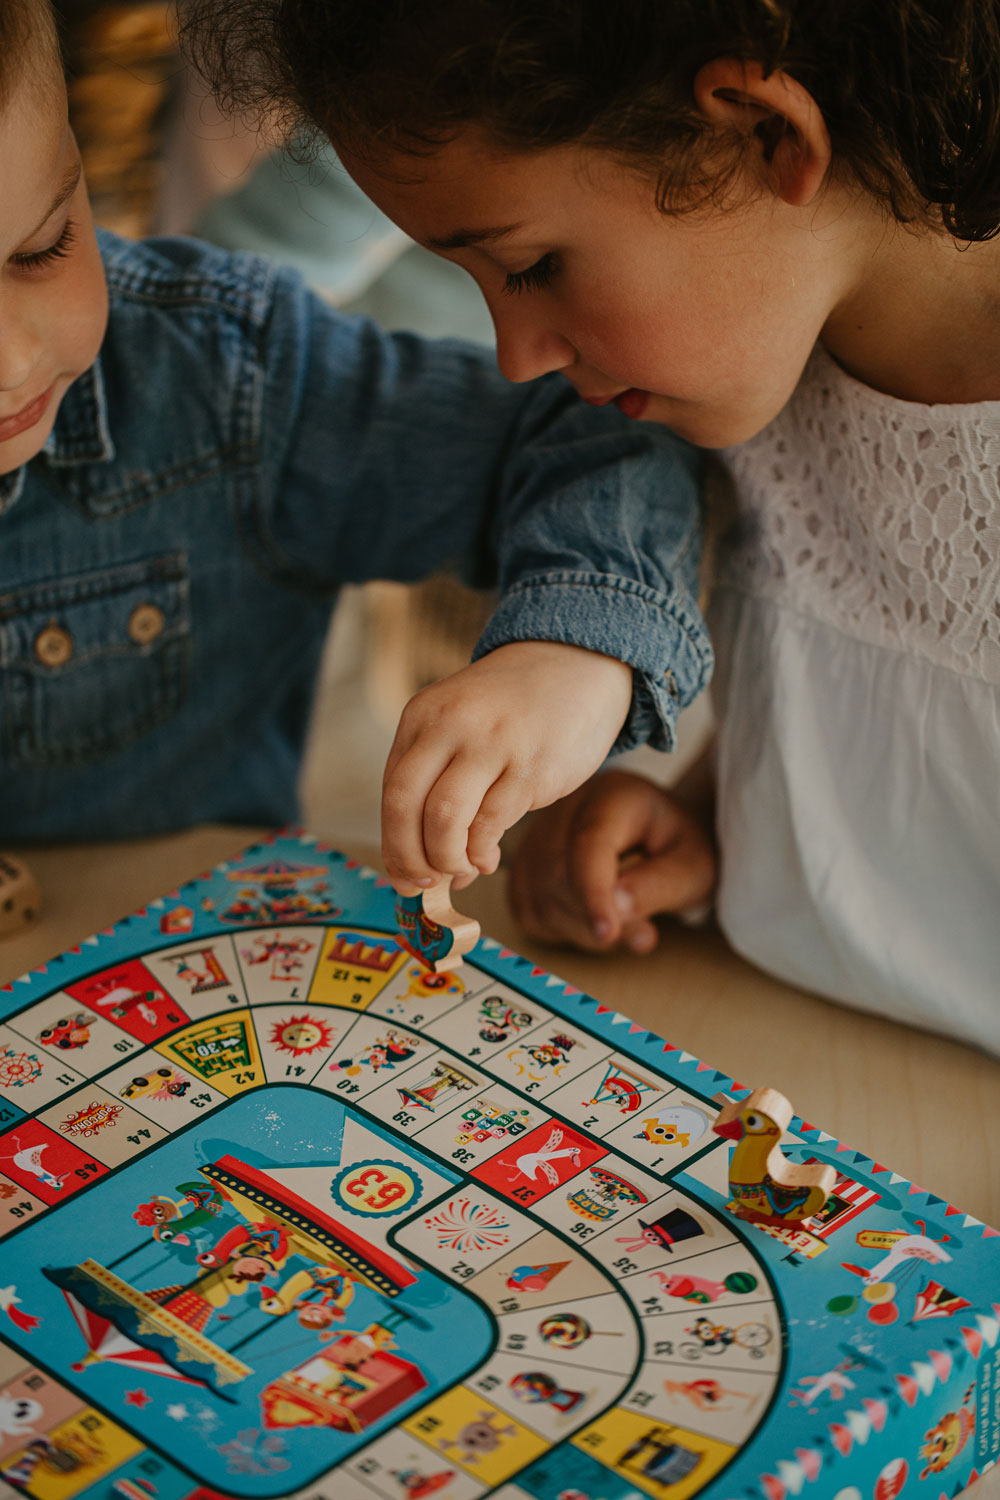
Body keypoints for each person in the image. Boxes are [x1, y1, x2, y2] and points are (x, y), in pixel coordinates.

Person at [182, 0, 1000, 1049]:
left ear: (760, 136)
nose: (514, 358)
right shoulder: (756, 360)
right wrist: (725, 816)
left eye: (531, 267)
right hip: (791, 1047)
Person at [0, 0, 710, 843]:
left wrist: (574, 651)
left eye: (41, 248)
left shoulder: (212, 379)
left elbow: (591, 439)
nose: (13, 364)